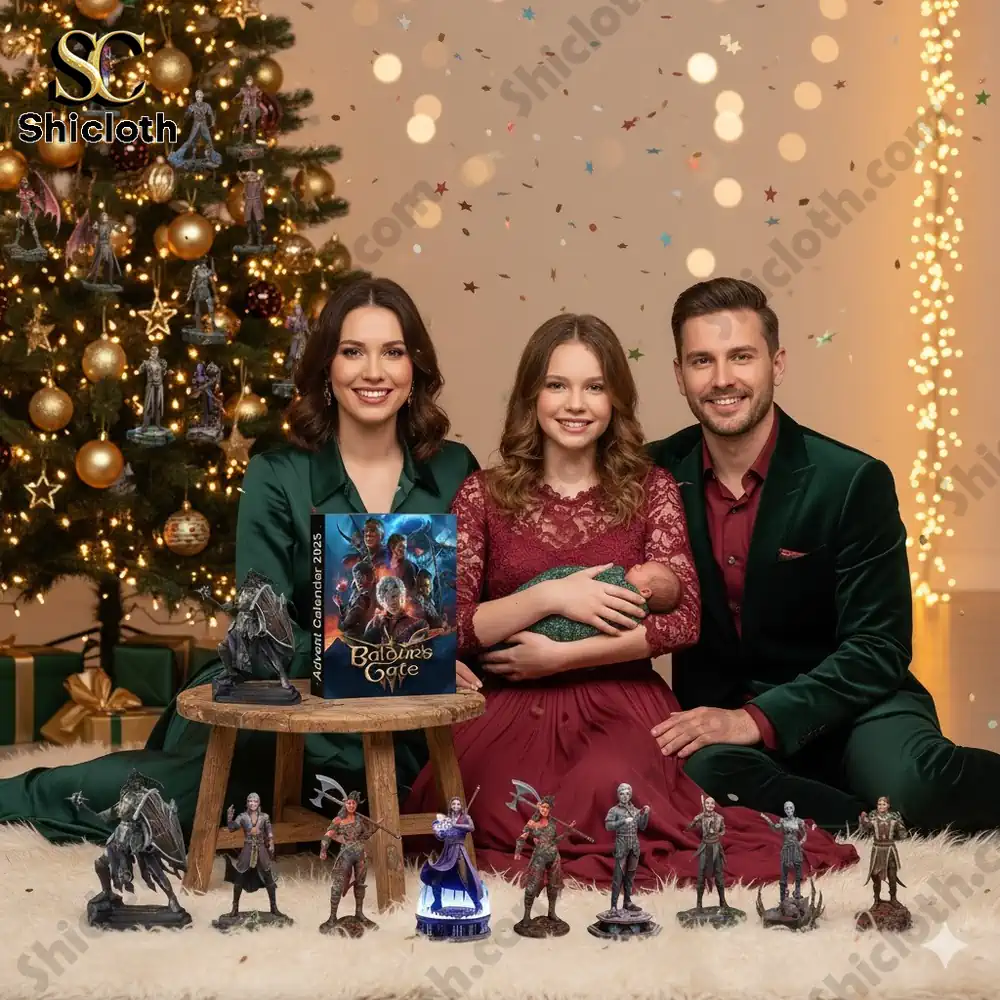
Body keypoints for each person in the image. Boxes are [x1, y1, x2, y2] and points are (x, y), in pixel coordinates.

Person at [0, 276, 480, 843]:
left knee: (419, 807)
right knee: (170, 805)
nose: (373, 372)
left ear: (414, 368)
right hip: (283, 695)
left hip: (412, 712)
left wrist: (433, 660)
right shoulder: (276, 475)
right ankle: (23, 793)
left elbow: (470, 604)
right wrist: (392, 661)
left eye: (392, 352)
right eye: (353, 351)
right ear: (326, 368)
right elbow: (263, 636)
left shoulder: (455, 468)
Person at [404, 312, 858, 888]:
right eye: (557, 385)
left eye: (594, 387)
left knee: (608, 791)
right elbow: (448, 626)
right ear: (531, 395)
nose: (576, 404)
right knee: (486, 804)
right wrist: (553, 596)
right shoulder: (482, 494)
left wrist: (561, 657)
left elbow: (685, 620)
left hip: (618, 701)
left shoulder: (650, 488)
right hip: (510, 702)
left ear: (615, 398)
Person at [648, 276, 1000, 834]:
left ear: (777, 363)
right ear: (678, 375)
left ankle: (883, 802)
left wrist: (758, 718)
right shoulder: (649, 475)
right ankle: (863, 826)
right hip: (721, 726)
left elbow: (880, 646)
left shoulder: (852, 480)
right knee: (698, 781)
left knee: (912, 784)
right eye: (701, 361)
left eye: (741, 356)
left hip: (859, 707)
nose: (722, 379)